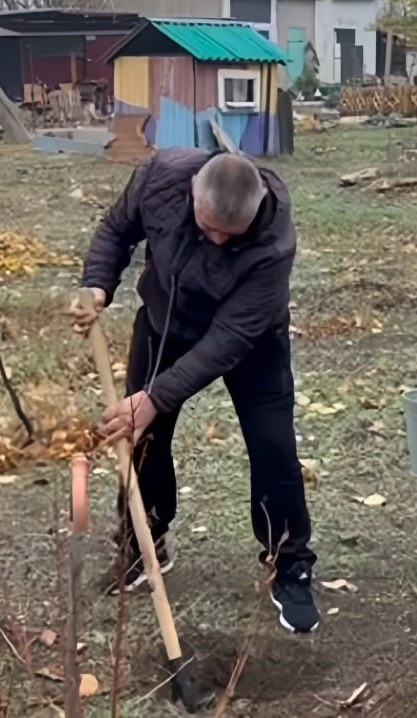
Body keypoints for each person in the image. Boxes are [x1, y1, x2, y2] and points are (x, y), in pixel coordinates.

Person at [71, 148, 320, 633]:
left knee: (273, 446)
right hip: (164, 320)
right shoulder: (160, 179)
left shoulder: (273, 243)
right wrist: (98, 285)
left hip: (250, 341)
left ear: (259, 206)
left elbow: (228, 339)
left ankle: (289, 562)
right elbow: (117, 229)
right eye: (208, 227)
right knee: (142, 438)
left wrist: (157, 397)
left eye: (231, 234)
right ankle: (145, 543)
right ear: (190, 195)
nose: (217, 239)